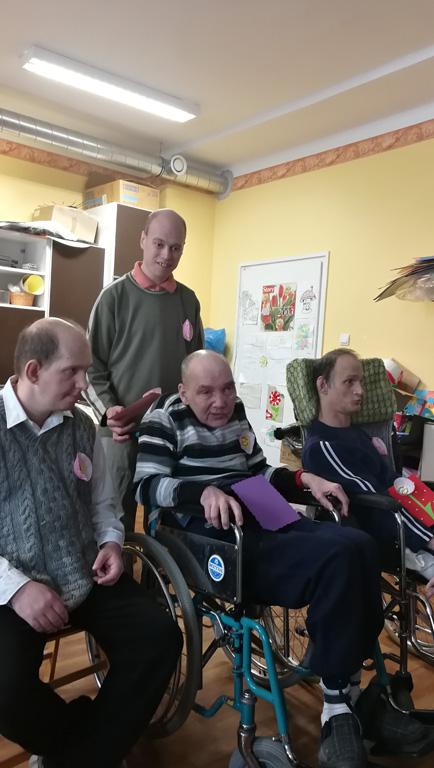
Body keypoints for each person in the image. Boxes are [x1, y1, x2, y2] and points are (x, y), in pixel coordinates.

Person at [134, 349, 431, 768]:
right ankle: (338, 708)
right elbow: (146, 486)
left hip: (259, 507)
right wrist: (201, 492)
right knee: (336, 559)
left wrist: (305, 479)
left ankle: (349, 698)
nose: (221, 401)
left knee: (359, 545)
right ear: (183, 392)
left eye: (228, 389)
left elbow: (259, 471)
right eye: (206, 392)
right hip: (208, 527)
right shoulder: (163, 420)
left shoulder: (235, 411)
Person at [0, 318, 182, 768]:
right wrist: (17, 589)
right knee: (4, 689)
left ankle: (75, 758)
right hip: (13, 584)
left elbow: (103, 504)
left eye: (85, 372)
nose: (85, 385)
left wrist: (112, 543)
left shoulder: (81, 426)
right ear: (34, 370)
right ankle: (83, 740)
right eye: (73, 372)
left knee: (159, 638)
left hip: (84, 571)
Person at [86, 208, 204, 531]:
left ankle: (156, 568)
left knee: (169, 520)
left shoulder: (189, 301)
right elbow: (89, 367)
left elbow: (196, 368)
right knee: (113, 523)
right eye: (159, 244)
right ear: (142, 240)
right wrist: (108, 411)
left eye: (176, 248)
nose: (167, 255)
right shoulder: (113, 297)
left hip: (171, 434)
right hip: (120, 435)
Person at [302, 348, 434, 597]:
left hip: (409, 525)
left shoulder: (358, 435)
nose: (360, 391)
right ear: (323, 385)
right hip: (389, 536)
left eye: (361, 382)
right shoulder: (322, 447)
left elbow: (393, 482)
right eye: (349, 382)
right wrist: (429, 538)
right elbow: (377, 502)